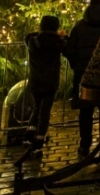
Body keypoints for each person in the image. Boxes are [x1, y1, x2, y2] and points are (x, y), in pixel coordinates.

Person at [66, 0, 100, 157]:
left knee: (85, 112)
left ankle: (85, 144)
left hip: (84, 74)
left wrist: (77, 65)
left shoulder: (80, 26)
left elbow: (70, 50)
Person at [24, 15, 67, 155]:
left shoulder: (33, 41)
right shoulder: (57, 43)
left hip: (35, 80)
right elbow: (67, 47)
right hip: (51, 81)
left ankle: (30, 133)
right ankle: (39, 139)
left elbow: (27, 36)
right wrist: (59, 36)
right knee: (45, 110)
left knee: (37, 107)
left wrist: (41, 33)